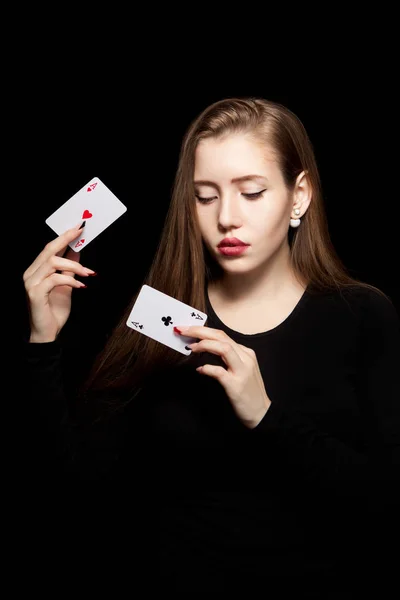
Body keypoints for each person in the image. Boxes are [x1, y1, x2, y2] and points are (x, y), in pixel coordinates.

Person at [22, 97, 399, 595]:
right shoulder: (160, 319)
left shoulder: (363, 315)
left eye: (252, 192)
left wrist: (264, 416)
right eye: (205, 196)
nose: (227, 218)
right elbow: (76, 491)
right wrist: (43, 342)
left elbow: (385, 507)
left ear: (298, 195)